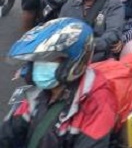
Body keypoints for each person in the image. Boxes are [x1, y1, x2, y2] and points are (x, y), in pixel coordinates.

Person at [1, 18, 117, 148]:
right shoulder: (36, 92)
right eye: (38, 60)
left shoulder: (98, 102)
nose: (41, 65)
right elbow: (9, 132)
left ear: (73, 62)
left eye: (51, 59)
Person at [58, 0, 125, 62]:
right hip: (70, 56)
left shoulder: (113, 4)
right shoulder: (71, 2)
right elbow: (60, 26)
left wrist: (85, 45)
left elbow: (112, 34)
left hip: (98, 57)